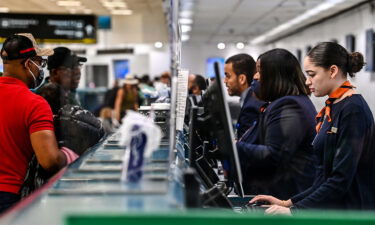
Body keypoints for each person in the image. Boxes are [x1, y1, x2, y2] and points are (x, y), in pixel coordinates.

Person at [250, 42, 375, 214]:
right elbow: (324, 177)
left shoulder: (353, 110)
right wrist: (288, 203)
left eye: (312, 74)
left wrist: (295, 210)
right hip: (334, 209)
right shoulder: (334, 106)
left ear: (332, 71)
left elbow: (340, 179)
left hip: (351, 213)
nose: (307, 82)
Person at [0, 33, 78, 213]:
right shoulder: (34, 104)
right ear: (28, 63)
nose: (41, 70)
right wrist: (69, 155)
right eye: (40, 63)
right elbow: (49, 160)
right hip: (9, 196)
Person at [237, 49, 316, 199]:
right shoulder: (281, 103)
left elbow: (274, 155)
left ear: (275, 75)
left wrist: (235, 146)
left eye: (260, 71)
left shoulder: (290, 106)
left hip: (286, 200)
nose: (255, 76)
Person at [224, 53, 264, 139]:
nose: (225, 81)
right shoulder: (250, 99)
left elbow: (246, 144)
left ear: (242, 79)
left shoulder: (251, 107)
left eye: (228, 76)